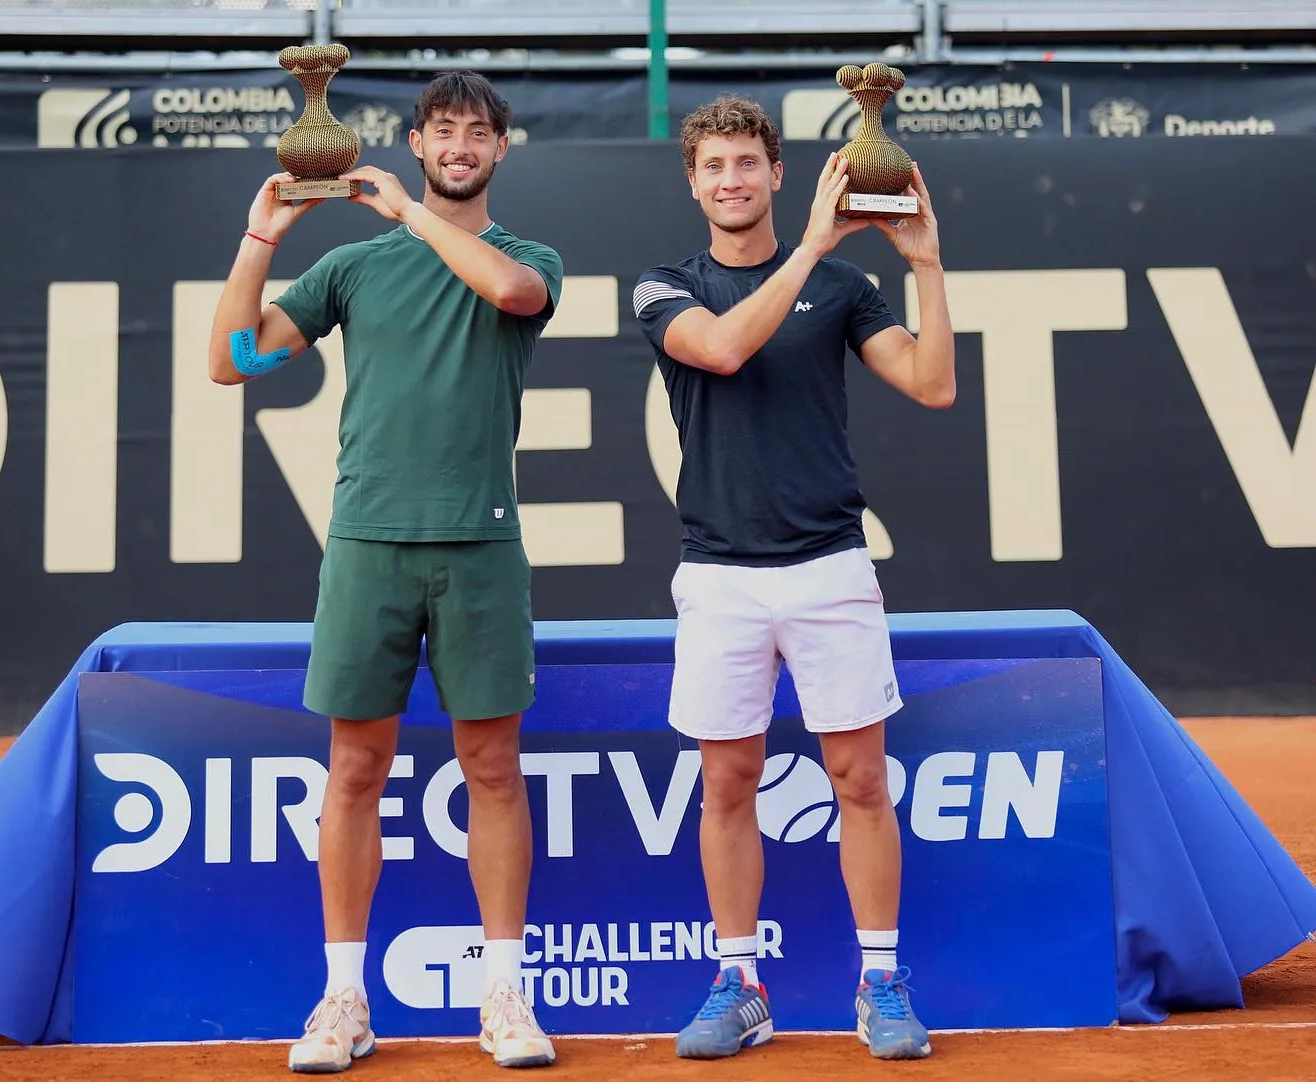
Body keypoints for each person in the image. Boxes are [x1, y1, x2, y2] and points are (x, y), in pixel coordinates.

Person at [207, 70, 563, 1073]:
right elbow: (234, 358)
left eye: (475, 133)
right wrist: (262, 234)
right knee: (354, 769)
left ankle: (504, 995)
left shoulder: (528, 256)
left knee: (492, 768)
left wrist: (409, 214)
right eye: (441, 131)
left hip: (481, 547)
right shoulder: (352, 268)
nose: (458, 146)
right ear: (416, 140)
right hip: (365, 544)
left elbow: (510, 293)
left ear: (502, 149)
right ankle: (345, 997)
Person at [632, 97, 955, 1062]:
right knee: (726, 783)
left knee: (860, 778)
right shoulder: (661, 287)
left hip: (831, 567)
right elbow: (725, 349)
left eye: (746, 162)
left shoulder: (848, 286)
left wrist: (926, 264)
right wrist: (810, 249)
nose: (731, 179)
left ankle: (880, 980)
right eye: (713, 166)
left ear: (777, 172)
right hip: (720, 576)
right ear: (693, 184)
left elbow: (933, 383)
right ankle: (739, 981)